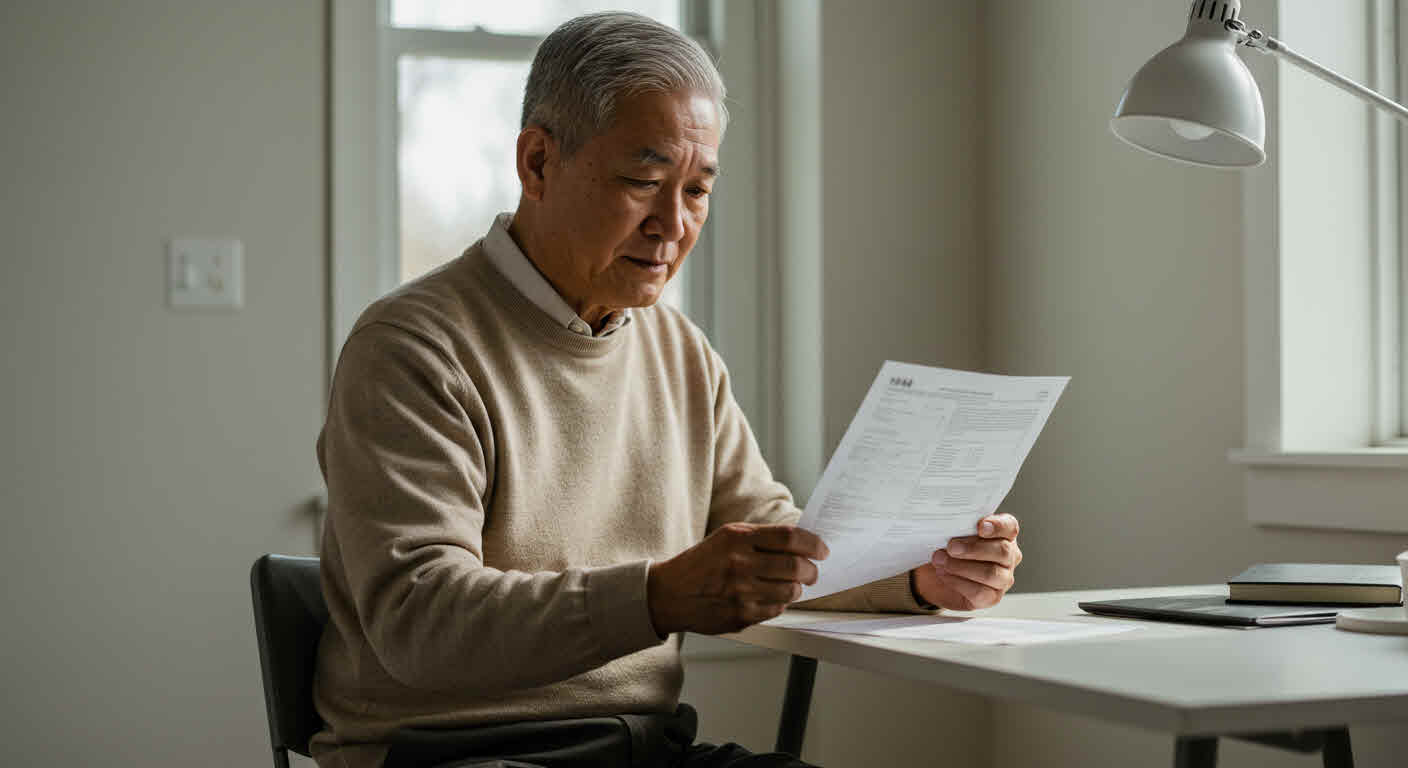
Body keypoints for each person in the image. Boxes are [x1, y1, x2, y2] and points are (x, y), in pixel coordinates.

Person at [311, 12, 1023, 768]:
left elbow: (779, 547)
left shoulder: (682, 354)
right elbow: (418, 622)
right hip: (453, 756)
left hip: (645, 749)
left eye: (696, 190)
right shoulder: (413, 347)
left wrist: (919, 577)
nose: (672, 225)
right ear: (538, 162)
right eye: (644, 182)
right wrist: (656, 597)